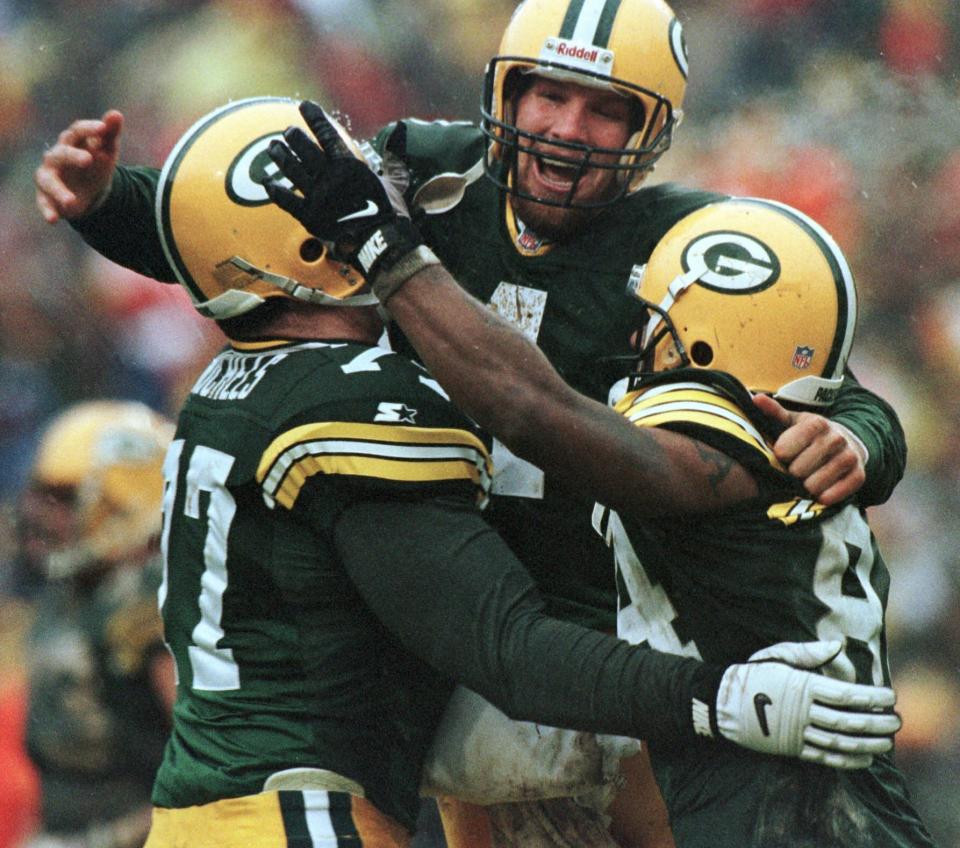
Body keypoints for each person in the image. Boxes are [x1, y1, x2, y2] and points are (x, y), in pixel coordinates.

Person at [32, 0, 907, 842]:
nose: (567, 127)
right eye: (549, 94)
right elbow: (256, 228)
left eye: (607, 110)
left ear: (652, 133)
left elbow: (809, 370)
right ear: (504, 94)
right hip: (449, 632)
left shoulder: (686, 240)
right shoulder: (426, 176)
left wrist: (865, 435)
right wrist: (113, 203)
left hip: (595, 648)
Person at [259, 103, 935, 847]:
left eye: (656, 319)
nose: (636, 332)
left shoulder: (723, 434)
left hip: (781, 818)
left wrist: (392, 255)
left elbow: (537, 413)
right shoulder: (793, 414)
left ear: (709, 340)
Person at [18, 399, 177, 848]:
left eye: (63, 498)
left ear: (128, 496)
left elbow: (205, 756)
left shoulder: (149, 597)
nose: (41, 513)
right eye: (40, 494)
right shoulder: (72, 591)